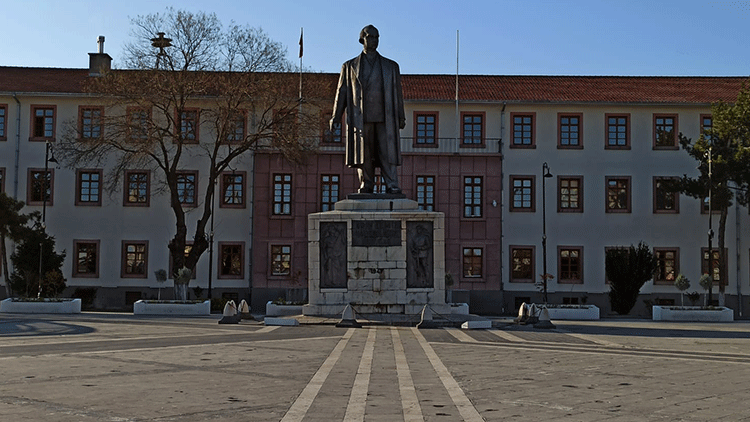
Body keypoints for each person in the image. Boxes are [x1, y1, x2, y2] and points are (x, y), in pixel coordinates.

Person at [331, 25, 405, 194]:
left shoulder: (390, 67)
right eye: (370, 37)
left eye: (376, 37)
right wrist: (335, 116)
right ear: (362, 39)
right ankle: (367, 183)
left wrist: (401, 116)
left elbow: (398, 94)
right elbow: (341, 92)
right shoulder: (349, 66)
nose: (374, 40)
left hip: (385, 117)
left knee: (387, 153)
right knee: (364, 154)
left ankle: (392, 184)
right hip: (360, 118)